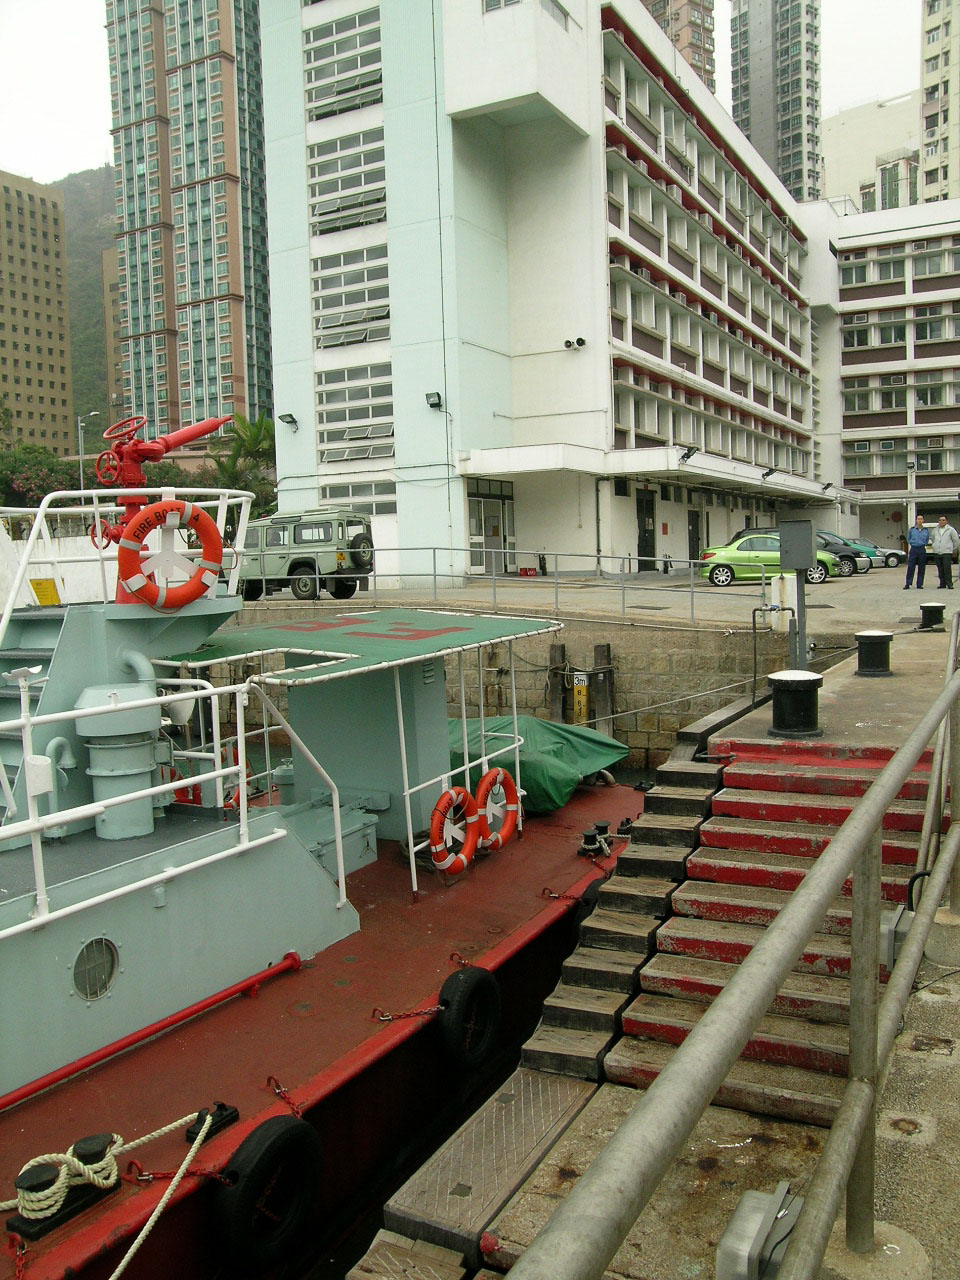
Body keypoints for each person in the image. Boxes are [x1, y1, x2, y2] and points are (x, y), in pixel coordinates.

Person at [930, 514, 960, 589]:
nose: (941, 521)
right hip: (937, 552)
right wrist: (935, 546)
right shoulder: (935, 530)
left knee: (947, 569)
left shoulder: (951, 530)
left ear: (946, 521)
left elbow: (955, 540)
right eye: (940, 520)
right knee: (940, 569)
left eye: (943, 520)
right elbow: (933, 538)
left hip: (946, 552)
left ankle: (949, 584)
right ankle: (942, 584)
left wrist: (954, 549)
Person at [904, 514, 929, 589]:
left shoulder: (926, 530)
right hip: (914, 549)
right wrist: (912, 543)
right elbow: (908, 539)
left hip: (922, 549)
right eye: (918, 519)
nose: (920, 520)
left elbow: (927, 540)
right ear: (916, 520)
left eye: (921, 519)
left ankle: (919, 584)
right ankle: (908, 583)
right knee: (911, 567)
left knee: (921, 568)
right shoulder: (912, 530)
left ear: (923, 520)